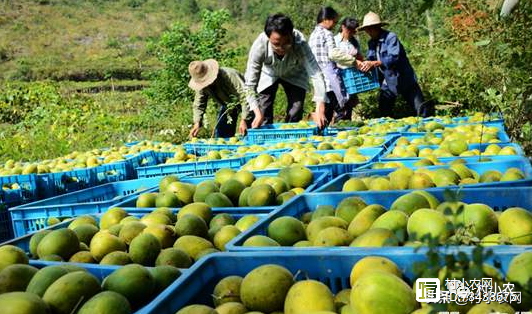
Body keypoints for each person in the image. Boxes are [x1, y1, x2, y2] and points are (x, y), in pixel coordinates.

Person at [244, 14, 328, 128]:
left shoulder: (300, 43)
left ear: (291, 34)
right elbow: (250, 85)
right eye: (276, 44)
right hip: (268, 73)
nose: (282, 48)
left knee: (296, 109)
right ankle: (265, 139)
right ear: (268, 38)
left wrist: (320, 107)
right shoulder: (260, 46)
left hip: (295, 73)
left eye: (287, 43)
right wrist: (257, 113)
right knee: (263, 109)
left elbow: (316, 74)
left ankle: (291, 136)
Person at [358, 12, 432, 118]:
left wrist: (376, 63)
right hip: (387, 80)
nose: (368, 32)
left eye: (370, 29)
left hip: (404, 77)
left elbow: (394, 57)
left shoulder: (390, 37)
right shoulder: (371, 43)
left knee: (420, 108)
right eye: (367, 30)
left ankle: (427, 126)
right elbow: (371, 58)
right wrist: (366, 64)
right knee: (384, 110)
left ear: (377, 27)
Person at [188, 59, 249, 138]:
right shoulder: (202, 86)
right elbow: (199, 104)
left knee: (251, 130)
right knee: (222, 133)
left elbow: (245, 96)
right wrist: (197, 123)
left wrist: (244, 119)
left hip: (249, 103)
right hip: (228, 105)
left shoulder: (229, 75)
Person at [308, 6, 348, 125]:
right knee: (342, 112)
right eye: (334, 22)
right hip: (329, 81)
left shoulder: (313, 35)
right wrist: (353, 62)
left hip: (318, 81)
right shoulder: (327, 33)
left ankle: (323, 137)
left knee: (325, 114)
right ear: (326, 19)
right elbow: (333, 54)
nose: (335, 25)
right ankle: (341, 135)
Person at [333, 17, 365, 121]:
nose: (351, 32)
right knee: (340, 108)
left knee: (349, 108)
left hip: (352, 79)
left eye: (353, 30)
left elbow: (360, 58)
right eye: (349, 30)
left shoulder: (354, 43)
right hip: (339, 78)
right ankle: (338, 128)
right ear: (343, 27)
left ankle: (346, 127)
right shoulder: (335, 41)